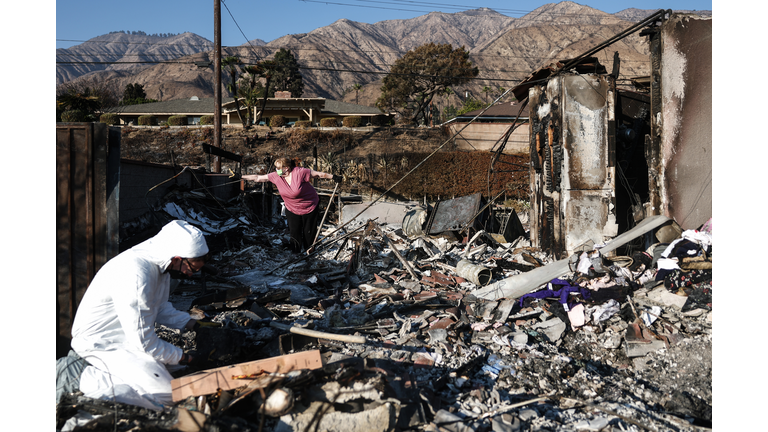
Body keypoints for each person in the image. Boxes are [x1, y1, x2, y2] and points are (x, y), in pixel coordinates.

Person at [65, 220, 209, 410]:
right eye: (191, 268)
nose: (190, 275)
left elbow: (160, 308)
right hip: (101, 344)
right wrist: (185, 357)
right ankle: (77, 373)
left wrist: (194, 324)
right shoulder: (136, 274)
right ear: (176, 258)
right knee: (165, 393)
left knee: (178, 371)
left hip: (126, 340)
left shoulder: (161, 268)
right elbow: (144, 342)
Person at [242, 157, 341, 253]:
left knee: (308, 231)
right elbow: (258, 178)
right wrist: (240, 177)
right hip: (292, 207)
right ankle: (296, 253)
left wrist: (334, 177)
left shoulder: (300, 172)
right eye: (276, 168)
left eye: (279, 168)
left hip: (309, 205)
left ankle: (309, 250)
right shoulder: (276, 176)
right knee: (294, 231)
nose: (277, 170)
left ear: (286, 168)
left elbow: (319, 175)